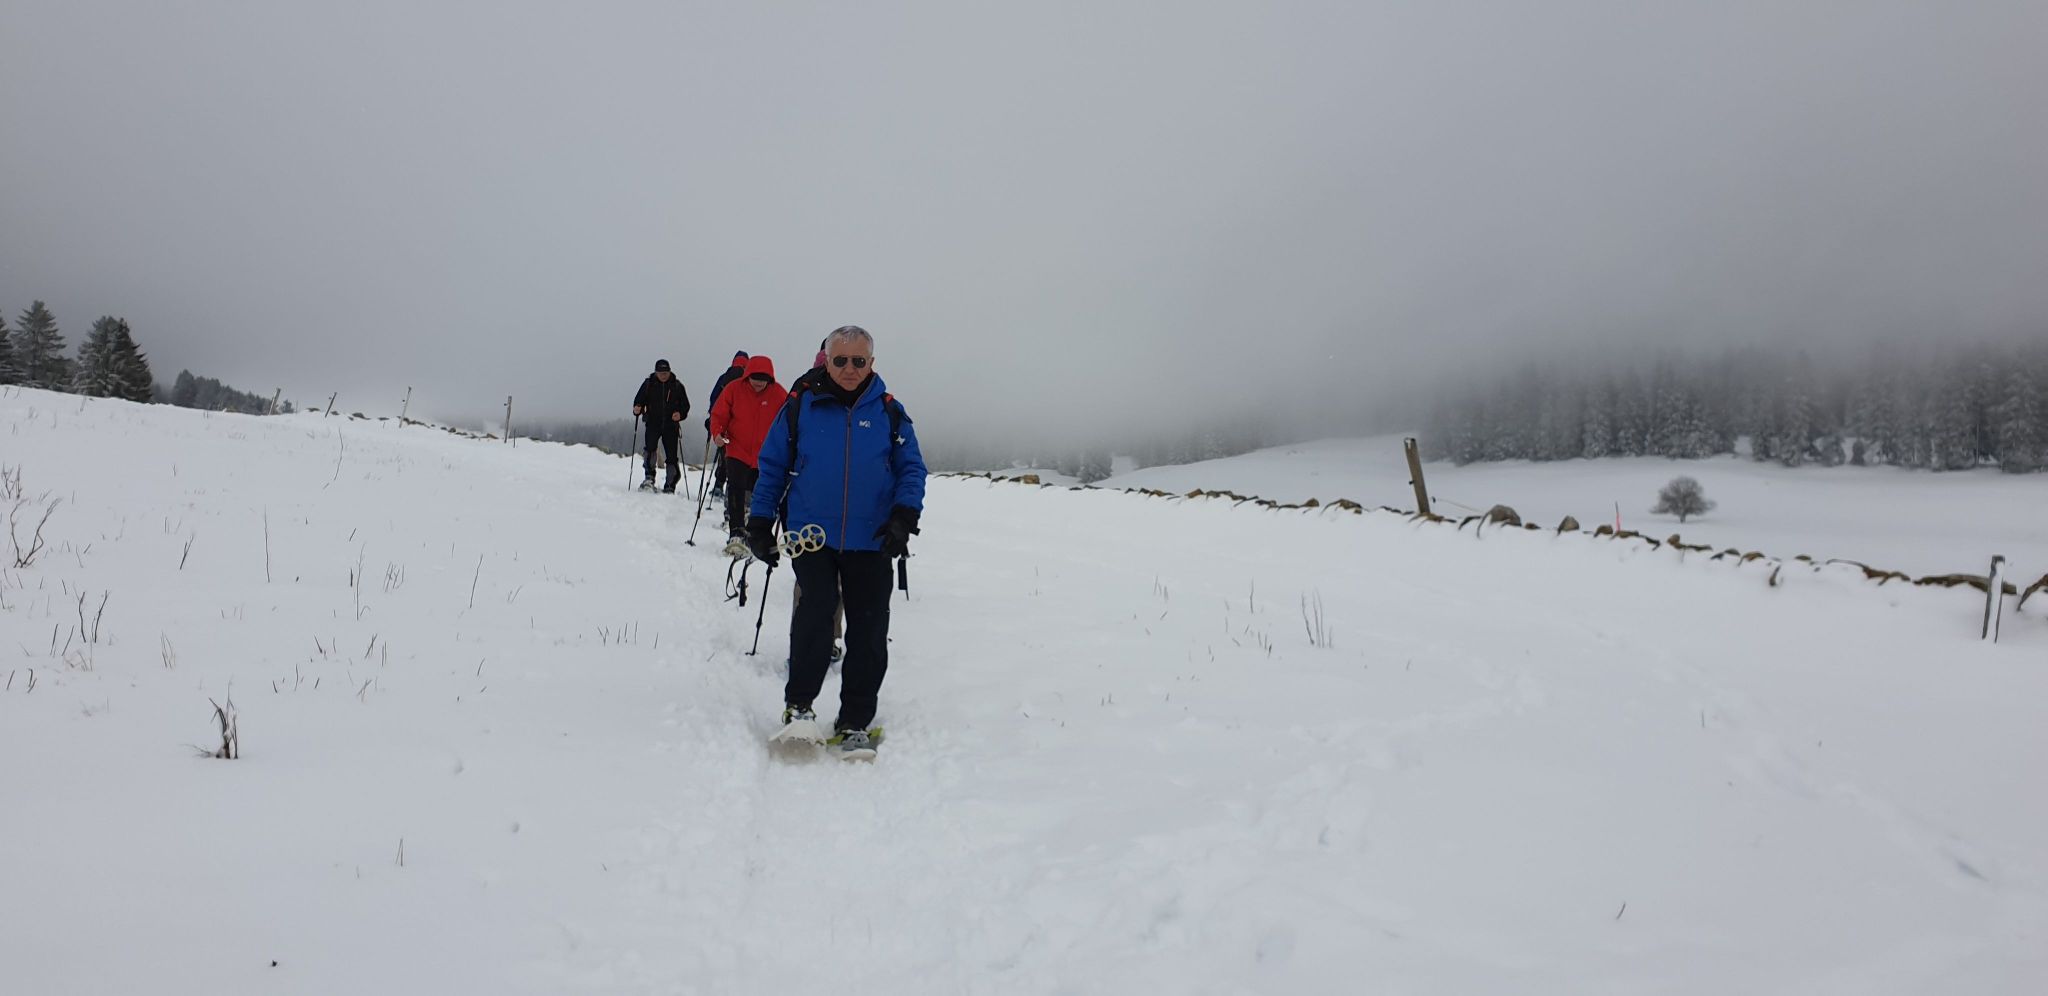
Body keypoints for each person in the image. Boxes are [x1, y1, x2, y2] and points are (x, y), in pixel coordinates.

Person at [748, 325, 925, 758]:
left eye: (858, 361)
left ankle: (854, 721)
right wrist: (760, 521)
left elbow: (912, 469)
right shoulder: (800, 406)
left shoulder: (889, 411)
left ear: (871, 363)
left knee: (869, 629)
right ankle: (799, 707)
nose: (849, 368)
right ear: (826, 361)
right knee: (815, 616)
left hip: (873, 539)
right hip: (813, 538)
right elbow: (773, 466)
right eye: (840, 360)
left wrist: (904, 516)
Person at [707, 355, 786, 553]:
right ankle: (736, 531)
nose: (758, 383)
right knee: (736, 488)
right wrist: (718, 433)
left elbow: (787, 421)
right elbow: (719, 414)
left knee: (758, 490)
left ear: (770, 379)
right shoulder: (733, 389)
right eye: (755, 378)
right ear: (747, 375)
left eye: (763, 379)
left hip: (764, 453)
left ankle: (754, 529)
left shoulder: (778, 394)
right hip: (736, 448)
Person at [630, 359, 690, 492]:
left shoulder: (677, 386)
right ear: (656, 372)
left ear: (669, 372)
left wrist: (680, 414)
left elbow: (685, 406)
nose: (663, 376)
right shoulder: (648, 384)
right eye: (661, 373)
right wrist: (637, 408)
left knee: (671, 456)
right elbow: (638, 401)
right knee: (650, 450)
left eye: (666, 373)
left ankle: (670, 484)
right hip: (652, 423)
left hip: (671, 426)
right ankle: (649, 477)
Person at [704, 351, 749, 499]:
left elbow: (714, 399)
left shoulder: (724, 378)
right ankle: (733, 489)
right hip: (741, 427)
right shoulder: (748, 379)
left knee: (724, 456)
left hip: (724, 426)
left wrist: (713, 420)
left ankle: (718, 485)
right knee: (738, 459)